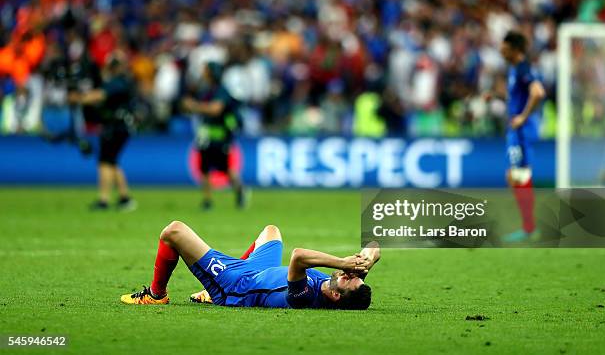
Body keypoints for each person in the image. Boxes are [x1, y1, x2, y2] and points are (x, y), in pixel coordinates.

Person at [120, 221, 379, 310]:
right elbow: (374, 245)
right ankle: (208, 292)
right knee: (271, 231)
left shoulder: (305, 297)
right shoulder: (337, 287)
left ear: (335, 296)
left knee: (174, 232)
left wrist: (343, 261)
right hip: (258, 271)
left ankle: (156, 295)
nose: (346, 273)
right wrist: (366, 259)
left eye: (347, 279)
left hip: (238, 286)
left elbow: (298, 256)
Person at [68, 51, 136, 211]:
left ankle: (104, 199)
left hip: (115, 126)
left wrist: (78, 98)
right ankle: (124, 198)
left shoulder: (118, 82)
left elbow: (98, 96)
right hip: (121, 125)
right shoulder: (122, 81)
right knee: (112, 161)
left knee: (104, 161)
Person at [498, 31, 546, 242]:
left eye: (505, 48)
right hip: (517, 131)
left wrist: (523, 117)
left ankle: (529, 227)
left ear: (515, 50)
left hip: (520, 132)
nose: (501, 51)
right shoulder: (514, 69)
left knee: (519, 175)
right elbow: (520, 96)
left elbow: (538, 92)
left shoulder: (524, 68)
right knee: (515, 176)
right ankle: (528, 225)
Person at [182, 62, 245, 210]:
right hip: (205, 135)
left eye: (206, 71)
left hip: (221, 136)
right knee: (204, 168)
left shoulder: (222, 91)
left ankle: (240, 190)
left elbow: (215, 109)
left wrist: (194, 106)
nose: (203, 74)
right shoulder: (206, 90)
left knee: (226, 168)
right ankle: (207, 200)